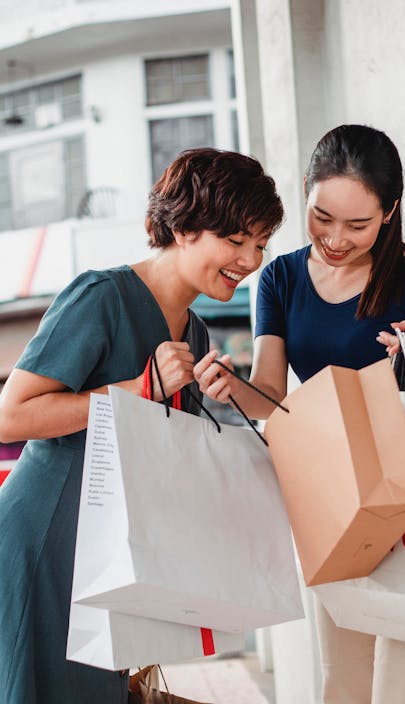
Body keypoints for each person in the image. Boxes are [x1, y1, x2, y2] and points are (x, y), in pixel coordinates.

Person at [194, 125, 405, 704]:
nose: (335, 239)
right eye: (322, 217)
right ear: (305, 194)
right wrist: (227, 385)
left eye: (358, 225)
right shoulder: (280, 278)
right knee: (344, 682)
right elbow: (272, 394)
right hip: (333, 500)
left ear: (390, 211)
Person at [0, 147, 283, 704]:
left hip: (109, 560)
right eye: (235, 239)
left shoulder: (197, 334)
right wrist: (136, 391)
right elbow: (12, 413)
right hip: (45, 549)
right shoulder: (101, 296)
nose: (250, 259)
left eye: (260, 243)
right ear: (184, 228)